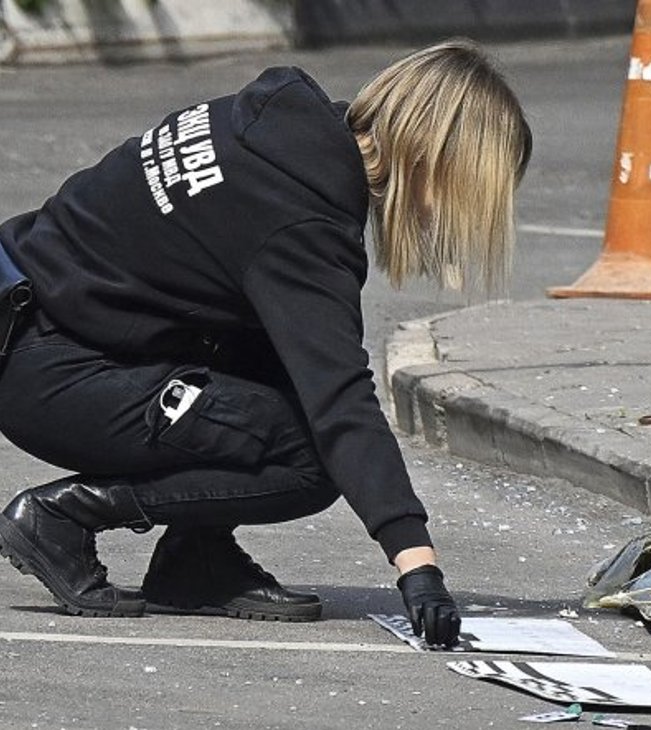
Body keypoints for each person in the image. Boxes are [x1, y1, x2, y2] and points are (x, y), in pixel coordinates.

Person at [0, 39, 532, 647]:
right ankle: (66, 514)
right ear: (438, 162)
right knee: (307, 459)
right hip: (51, 371)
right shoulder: (302, 218)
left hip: (40, 328)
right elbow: (340, 398)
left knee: (274, 356)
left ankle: (196, 562)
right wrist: (417, 563)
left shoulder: (270, 125)